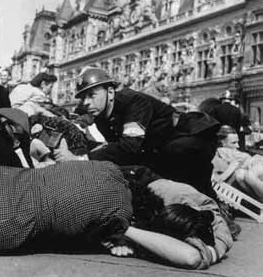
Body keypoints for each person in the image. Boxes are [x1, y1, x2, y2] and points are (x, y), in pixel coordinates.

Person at [0, 112, 227, 269]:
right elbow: (192, 257)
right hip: (7, 219)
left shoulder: (113, 184)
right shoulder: (122, 217)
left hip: (8, 184)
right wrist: (126, 233)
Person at [54, 67, 220, 198]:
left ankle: (215, 208)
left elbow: (129, 147)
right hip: (163, 144)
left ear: (110, 92)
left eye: (92, 95)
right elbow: (119, 149)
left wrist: (82, 159)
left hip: (193, 135)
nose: (87, 103)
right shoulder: (101, 114)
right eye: (83, 98)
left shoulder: (133, 102)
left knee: (174, 156)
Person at [212, 125, 263, 202]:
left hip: (257, 164)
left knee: (243, 174)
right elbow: (217, 179)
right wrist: (232, 166)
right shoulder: (218, 155)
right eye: (233, 143)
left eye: (237, 142)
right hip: (252, 171)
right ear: (222, 143)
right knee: (241, 175)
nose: (238, 146)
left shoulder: (229, 153)